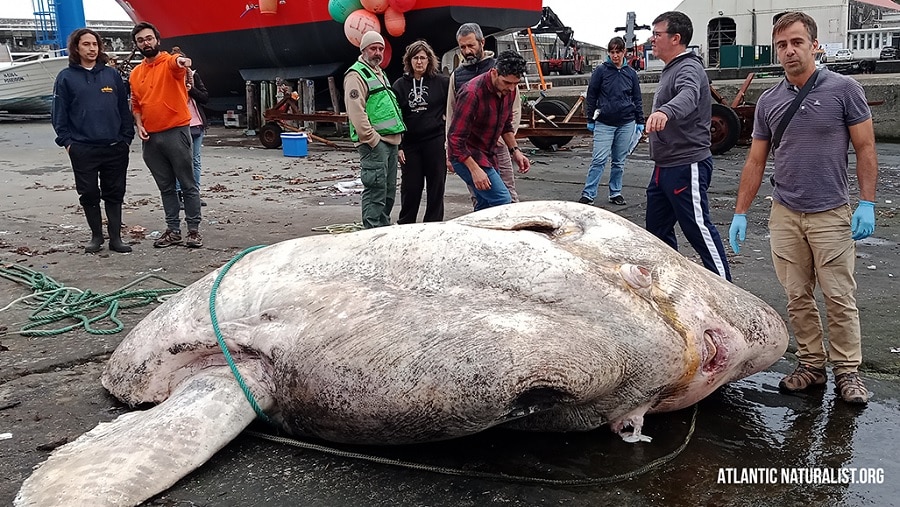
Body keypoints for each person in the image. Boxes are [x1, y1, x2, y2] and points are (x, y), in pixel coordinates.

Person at [728, 12, 878, 404]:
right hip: (786, 212)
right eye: (782, 45)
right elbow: (756, 161)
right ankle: (812, 365)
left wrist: (867, 203)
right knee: (797, 296)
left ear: (814, 45)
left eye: (797, 42)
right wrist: (740, 212)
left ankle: (848, 372)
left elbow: (865, 148)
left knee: (839, 297)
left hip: (831, 211)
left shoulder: (844, 89)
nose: (789, 51)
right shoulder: (770, 101)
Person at [644, 11, 731, 281]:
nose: (652, 40)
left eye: (657, 34)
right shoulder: (671, 69)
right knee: (656, 231)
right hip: (664, 165)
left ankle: (727, 290)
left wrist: (665, 112)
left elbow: (689, 96)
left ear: (676, 38)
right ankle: (670, 283)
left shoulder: (688, 68)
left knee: (697, 228)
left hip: (686, 164)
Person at [52, 28, 134, 254]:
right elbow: (59, 113)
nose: (91, 48)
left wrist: (126, 138)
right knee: (88, 193)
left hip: (114, 147)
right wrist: (67, 142)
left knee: (115, 192)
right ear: (76, 48)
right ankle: (96, 236)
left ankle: (116, 238)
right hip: (83, 148)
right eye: (86, 44)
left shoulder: (112, 75)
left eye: (95, 44)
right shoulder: (66, 77)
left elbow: (123, 109)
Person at [129, 22, 203, 248]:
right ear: (136, 45)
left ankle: (193, 230)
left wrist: (181, 61)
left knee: (188, 183)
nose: (146, 43)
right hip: (151, 137)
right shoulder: (135, 73)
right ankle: (173, 230)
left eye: (149, 38)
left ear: (157, 40)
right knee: (165, 186)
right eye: (141, 40)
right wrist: (139, 125)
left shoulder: (169, 64)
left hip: (176, 132)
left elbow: (176, 63)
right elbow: (136, 103)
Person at [446, 23, 523, 206]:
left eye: (471, 45)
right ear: (495, 74)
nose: (467, 51)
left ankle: (478, 233)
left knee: (487, 200)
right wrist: (474, 169)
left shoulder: (508, 83)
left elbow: (507, 122)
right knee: (502, 199)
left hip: (494, 147)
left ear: (482, 43)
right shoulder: (469, 90)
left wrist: (515, 150)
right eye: (463, 47)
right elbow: (454, 136)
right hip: (467, 152)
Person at [344, 30, 406, 229]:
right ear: (363, 50)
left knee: (388, 191)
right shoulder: (356, 75)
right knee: (375, 189)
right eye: (373, 48)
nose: (377, 53)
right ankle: (372, 231)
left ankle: (383, 228)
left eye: (381, 48)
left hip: (390, 141)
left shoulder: (379, 73)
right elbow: (356, 109)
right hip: (374, 143)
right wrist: (371, 139)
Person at [578, 36, 644, 206]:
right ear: (609, 53)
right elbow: (591, 94)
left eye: (618, 52)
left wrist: (639, 120)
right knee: (599, 159)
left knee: (619, 161)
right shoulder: (601, 71)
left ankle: (615, 192)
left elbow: (637, 98)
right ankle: (589, 193)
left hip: (626, 122)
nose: (615, 55)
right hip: (605, 122)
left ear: (624, 52)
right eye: (612, 52)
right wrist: (590, 118)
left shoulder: (631, 74)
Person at [391, 40, 450, 224]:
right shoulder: (400, 85)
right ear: (409, 61)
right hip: (410, 144)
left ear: (429, 60)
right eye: (415, 58)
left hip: (435, 140)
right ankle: (406, 223)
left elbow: (454, 106)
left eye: (423, 58)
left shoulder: (442, 82)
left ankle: (433, 223)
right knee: (411, 187)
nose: (419, 62)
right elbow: (395, 117)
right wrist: (398, 145)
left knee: (436, 185)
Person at [172, 47, 209, 209]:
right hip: (179, 125)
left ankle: (193, 194)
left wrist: (190, 89)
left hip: (197, 125)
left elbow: (205, 97)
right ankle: (180, 194)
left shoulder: (193, 76)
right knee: (180, 162)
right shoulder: (169, 79)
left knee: (195, 161)